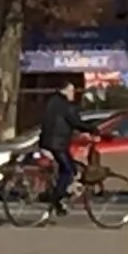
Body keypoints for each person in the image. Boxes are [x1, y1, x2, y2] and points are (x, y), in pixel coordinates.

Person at [39, 83, 87, 214]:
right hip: (57, 144)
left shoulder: (53, 102)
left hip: (50, 142)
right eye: (71, 90)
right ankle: (55, 199)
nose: (74, 93)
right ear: (64, 91)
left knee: (65, 169)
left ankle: (59, 205)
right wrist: (92, 129)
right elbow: (75, 122)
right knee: (69, 171)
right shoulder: (65, 105)